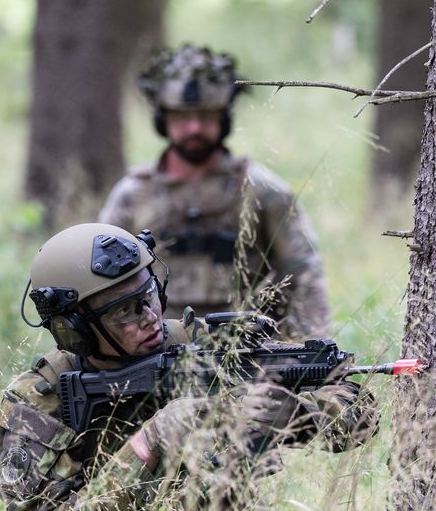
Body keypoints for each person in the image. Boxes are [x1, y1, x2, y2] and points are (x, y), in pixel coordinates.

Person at [0, 223, 375, 511]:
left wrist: (296, 414)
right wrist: (148, 445)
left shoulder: (200, 346)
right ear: (74, 330)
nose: (149, 317)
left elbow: (358, 410)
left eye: (149, 294)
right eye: (123, 311)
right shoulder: (39, 404)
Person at [98, 44, 330, 339]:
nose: (194, 127)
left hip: (249, 347)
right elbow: (102, 284)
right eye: (182, 117)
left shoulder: (262, 189)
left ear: (223, 119)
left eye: (206, 116)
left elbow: (305, 277)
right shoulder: (131, 195)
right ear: (163, 120)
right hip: (155, 346)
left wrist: (309, 348)